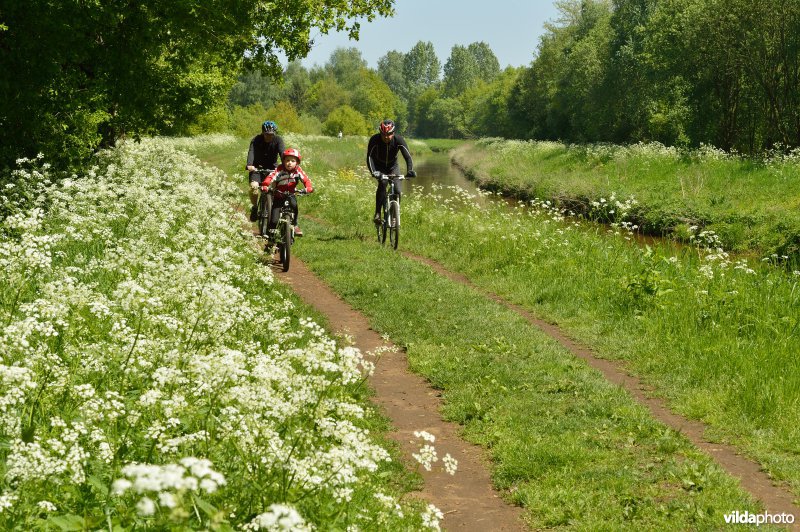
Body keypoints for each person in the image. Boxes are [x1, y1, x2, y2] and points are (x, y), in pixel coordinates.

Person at [366, 119, 416, 225]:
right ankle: (378, 213)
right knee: (383, 183)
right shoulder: (374, 140)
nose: (386, 137)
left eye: (388, 134)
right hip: (379, 166)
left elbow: (408, 157)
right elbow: (369, 157)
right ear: (380, 133)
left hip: (393, 166)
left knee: (397, 190)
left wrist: (410, 170)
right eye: (383, 134)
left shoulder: (398, 140)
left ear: (393, 133)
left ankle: (394, 215)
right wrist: (374, 172)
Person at [261, 148, 314, 236]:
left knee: (294, 207)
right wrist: (265, 185)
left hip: (291, 194)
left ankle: (295, 225)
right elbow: (271, 176)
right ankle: (270, 237)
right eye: (287, 160)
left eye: (293, 161)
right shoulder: (279, 169)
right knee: (274, 219)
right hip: (279, 195)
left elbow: (305, 179)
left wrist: (308, 187)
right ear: (283, 161)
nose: (290, 163)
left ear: (297, 162)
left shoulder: (298, 170)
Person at [245, 120, 285, 222]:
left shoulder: (278, 140)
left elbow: (282, 153)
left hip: (272, 168)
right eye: (267, 134)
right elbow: (251, 152)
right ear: (263, 132)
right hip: (257, 168)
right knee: (254, 187)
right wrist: (249, 165)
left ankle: (275, 209)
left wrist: (285, 164)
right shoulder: (256, 140)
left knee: (277, 189)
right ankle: (254, 208)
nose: (269, 136)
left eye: (271, 134)